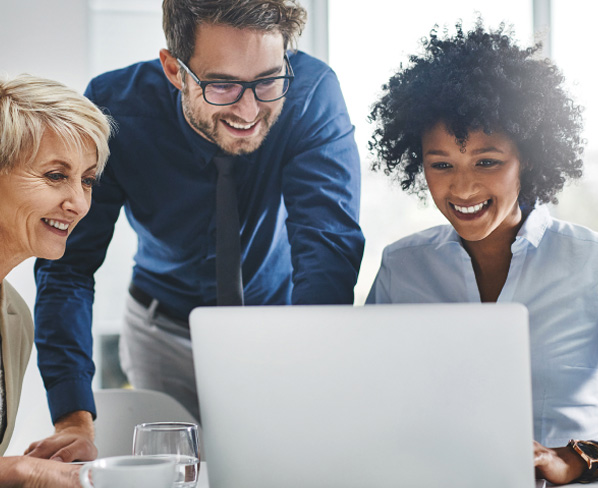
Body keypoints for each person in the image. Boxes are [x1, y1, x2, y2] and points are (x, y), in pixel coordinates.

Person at [33, 0, 364, 445]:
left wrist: (312, 374)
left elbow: (327, 248)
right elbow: (68, 265)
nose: (248, 111)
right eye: (222, 86)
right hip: (160, 331)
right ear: (174, 70)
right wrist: (72, 414)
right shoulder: (115, 110)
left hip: (280, 328)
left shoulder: (311, 94)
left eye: (267, 81)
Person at [365, 22, 598, 484]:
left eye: (487, 162)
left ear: (528, 157)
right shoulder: (401, 266)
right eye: (441, 165)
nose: (462, 187)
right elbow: (363, 402)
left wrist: (579, 459)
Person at [0, 74, 111, 484]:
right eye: (54, 175)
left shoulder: (14, 317)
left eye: (86, 180)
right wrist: (22, 471)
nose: (79, 203)